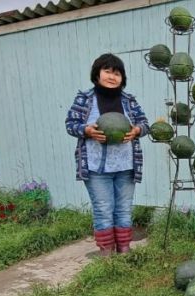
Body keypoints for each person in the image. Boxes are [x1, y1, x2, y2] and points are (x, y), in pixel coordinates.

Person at [65, 53, 149, 255]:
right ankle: (106, 254)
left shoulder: (129, 100)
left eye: (117, 73)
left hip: (126, 165)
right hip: (96, 167)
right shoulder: (84, 99)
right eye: (108, 71)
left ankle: (125, 251)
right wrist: (87, 130)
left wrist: (137, 131)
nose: (112, 77)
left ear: (122, 78)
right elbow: (71, 124)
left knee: (124, 209)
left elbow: (145, 124)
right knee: (103, 209)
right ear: (97, 74)